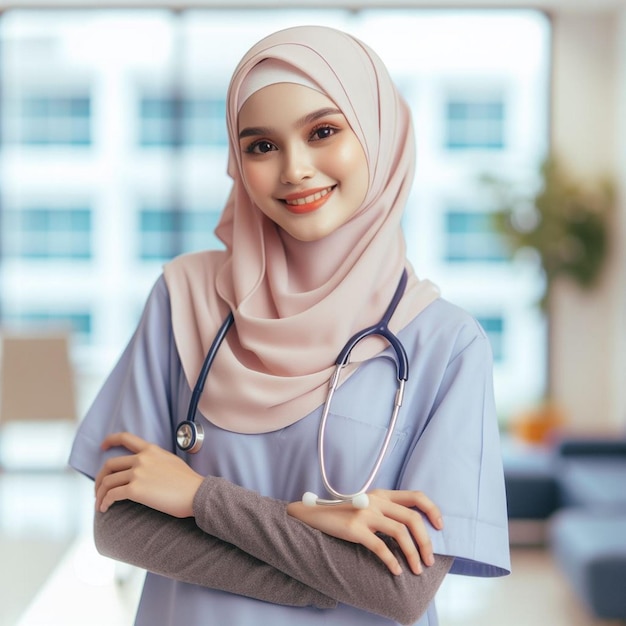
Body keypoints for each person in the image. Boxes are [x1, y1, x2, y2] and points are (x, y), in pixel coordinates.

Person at [69, 24, 510, 626]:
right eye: (261, 146)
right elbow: (122, 529)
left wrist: (199, 498)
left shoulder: (446, 346)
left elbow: (400, 593)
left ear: (379, 137)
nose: (295, 169)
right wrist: (319, 544)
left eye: (323, 132)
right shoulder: (184, 297)